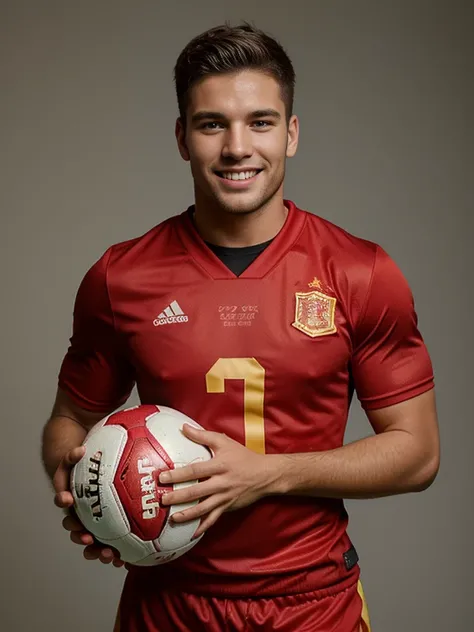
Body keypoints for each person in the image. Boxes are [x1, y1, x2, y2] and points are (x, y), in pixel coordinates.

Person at [42, 22, 440, 632]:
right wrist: (83, 487)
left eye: (260, 121)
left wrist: (270, 472)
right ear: (182, 137)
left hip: (314, 604)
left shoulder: (360, 271)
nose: (237, 147)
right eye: (211, 124)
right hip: (168, 603)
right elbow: (69, 419)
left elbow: (417, 454)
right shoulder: (121, 277)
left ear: (292, 133)